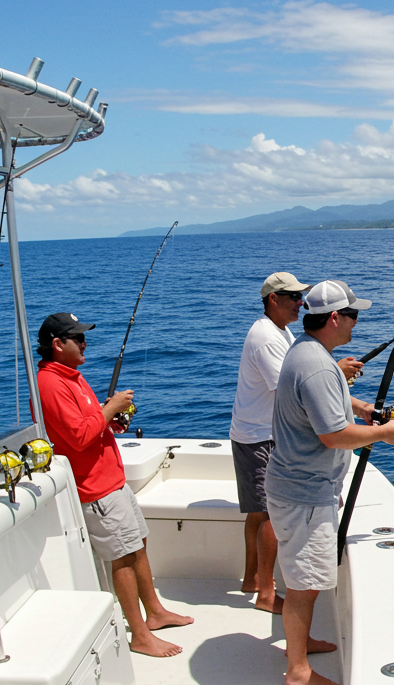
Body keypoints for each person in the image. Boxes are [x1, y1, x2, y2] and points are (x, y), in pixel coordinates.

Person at [268, 280, 394, 685]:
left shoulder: (308, 352)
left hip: (299, 487)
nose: (355, 323)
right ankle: (298, 671)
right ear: (334, 318)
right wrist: (383, 432)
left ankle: (302, 642)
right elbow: (333, 436)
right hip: (304, 495)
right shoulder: (315, 364)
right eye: (353, 315)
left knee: (304, 579)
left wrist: (362, 408)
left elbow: (326, 402)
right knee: (304, 584)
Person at [35, 312, 194, 658]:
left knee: (138, 543)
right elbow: (77, 438)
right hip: (95, 488)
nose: (85, 343)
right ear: (58, 345)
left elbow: (86, 425)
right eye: (78, 338)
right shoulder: (49, 384)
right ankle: (139, 635)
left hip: (113, 480)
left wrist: (110, 420)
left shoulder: (71, 376)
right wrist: (112, 408)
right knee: (122, 557)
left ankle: (155, 612)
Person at [229, 272, 362, 613]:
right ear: (273, 299)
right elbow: (299, 387)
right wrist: (333, 371)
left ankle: (253, 580)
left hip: (268, 433)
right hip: (260, 437)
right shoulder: (267, 337)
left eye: (302, 297)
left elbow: (305, 381)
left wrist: (353, 399)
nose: (300, 303)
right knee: (269, 516)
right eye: (292, 297)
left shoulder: (283, 333)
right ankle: (266, 593)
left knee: (261, 514)